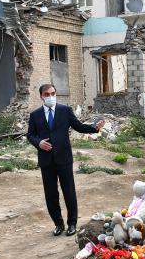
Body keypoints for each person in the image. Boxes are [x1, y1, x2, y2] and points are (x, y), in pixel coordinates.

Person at [27, 84, 105, 237]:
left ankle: (72, 223)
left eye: (53, 93)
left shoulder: (65, 110)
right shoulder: (35, 115)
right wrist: (39, 143)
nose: (50, 96)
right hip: (46, 160)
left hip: (64, 158)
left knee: (68, 191)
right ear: (41, 96)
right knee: (51, 194)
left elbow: (79, 126)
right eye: (47, 94)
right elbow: (30, 135)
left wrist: (95, 128)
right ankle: (58, 223)